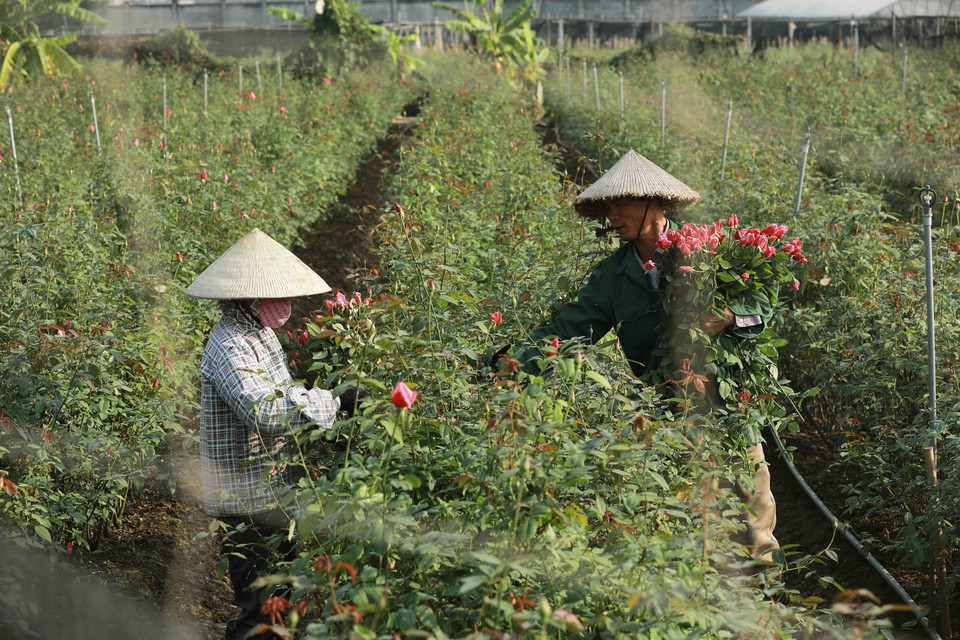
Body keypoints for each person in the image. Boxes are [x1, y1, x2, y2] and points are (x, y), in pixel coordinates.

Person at [507, 150, 779, 566]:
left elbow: (763, 305)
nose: (610, 215)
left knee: (752, 521)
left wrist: (731, 317)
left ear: (653, 202)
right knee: (684, 524)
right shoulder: (612, 277)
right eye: (606, 207)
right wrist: (510, 361)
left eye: (619, 204)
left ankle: (765, 609)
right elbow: (566, 332)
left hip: (728, 408)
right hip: (666, 416)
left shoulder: (713, 252)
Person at [185, 227, 352, 640]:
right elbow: (264, 410)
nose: (286, 305)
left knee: (277, 599)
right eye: (277, 296)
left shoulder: (260, 334)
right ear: (248, 296)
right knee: (262, 612)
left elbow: (285, 393)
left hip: (270, 489)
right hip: (245, 497)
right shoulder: (229, 346)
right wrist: (333, 402)